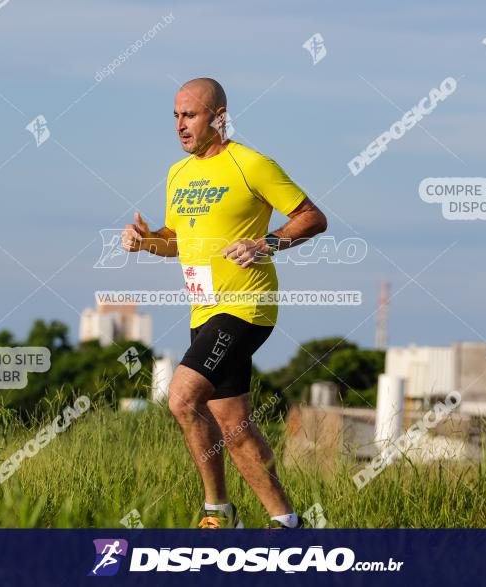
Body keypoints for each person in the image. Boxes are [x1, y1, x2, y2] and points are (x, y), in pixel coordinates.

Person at [122, 78, 327, 529]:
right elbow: (175, 241)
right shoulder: (178, 173)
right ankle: (288, 523)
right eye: (175, 116)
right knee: (234, 427)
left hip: (245, 306)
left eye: (189, 115)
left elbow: (312, 217)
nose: (179, 125)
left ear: (219, 117)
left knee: (181, 398)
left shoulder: (251, 164)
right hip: (204, 309)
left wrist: (267, 243)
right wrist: (146, 241)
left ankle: (216, 512)